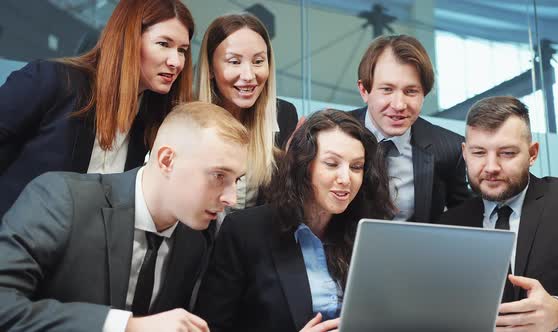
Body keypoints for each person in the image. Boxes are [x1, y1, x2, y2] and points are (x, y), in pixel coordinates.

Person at [0, 101, 249, 332]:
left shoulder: (198, 239)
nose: (231, 199)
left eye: (236, 180)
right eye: (218, 176)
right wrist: (127, 327)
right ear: (166, 160)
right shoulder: (63, 199)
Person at [194, 109, 394, 331]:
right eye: (331, 163)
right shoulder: (245, 231)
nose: (346, 179)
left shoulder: (366, 233)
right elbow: (211, 328)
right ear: (304, 165)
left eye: (356, 167)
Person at [0, 0, 195, 216]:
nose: (176, 62)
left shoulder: (152, 123)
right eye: (164, 44)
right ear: (127, 39)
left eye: (183, 50)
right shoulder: (51, 80)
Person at [439, 96, 558, 331]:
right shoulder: (449, 224)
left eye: (507, 153)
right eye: (479, 152)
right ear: (465, 153)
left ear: (532, 153)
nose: (491, 167)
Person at [350, 34, 471, 222]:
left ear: (424, 94)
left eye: (411, 91)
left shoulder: (449, 148)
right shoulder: (333, 134)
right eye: (387, 89)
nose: (399, 105)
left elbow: (464, 218)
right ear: (364, 90)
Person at [196, 13, 298, 217]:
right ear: (210, 68)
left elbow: (280, 205)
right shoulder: (186, 121)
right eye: (234, 62)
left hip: (253, 243)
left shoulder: (283, 115)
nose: (249, 76)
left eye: (258, 61)